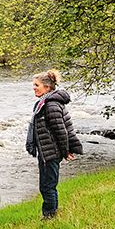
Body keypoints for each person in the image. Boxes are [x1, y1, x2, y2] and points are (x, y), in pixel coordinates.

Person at [26, 70, 83, 220]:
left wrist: (65, 152)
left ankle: (50, 216)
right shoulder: (45, 103)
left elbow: (61, 131)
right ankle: (52, 213)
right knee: (47, 185)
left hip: (50, 152)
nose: (34, 88)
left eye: (36, 85)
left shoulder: (50, 105)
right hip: (47, 151)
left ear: (47, 87)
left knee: (47, 186)